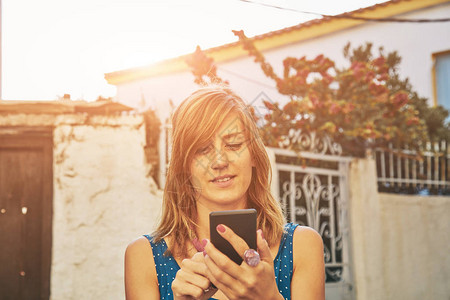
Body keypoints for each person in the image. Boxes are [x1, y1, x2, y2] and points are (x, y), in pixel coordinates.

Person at [125, 85, 325, 300]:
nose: (219, 162)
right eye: (202, 149)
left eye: (233, 144)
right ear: (184, 165)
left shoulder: (302, 245)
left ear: (254, 156)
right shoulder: (143, 256)